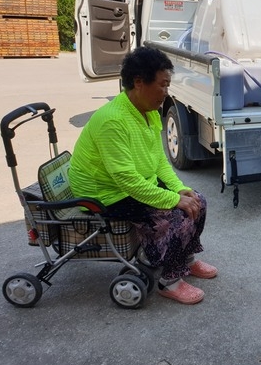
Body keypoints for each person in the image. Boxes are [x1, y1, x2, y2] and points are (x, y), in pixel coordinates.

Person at [69, 46, 217, 305]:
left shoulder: (149, 111)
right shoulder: (112, 121)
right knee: (175, 219)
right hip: (104, 194)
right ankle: (168, 281)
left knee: (198, 201)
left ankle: (185, 260)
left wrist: (179, 189)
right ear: (139, 82)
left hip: (134, 184)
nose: (166, 92)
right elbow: (126, 181)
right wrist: (173, 201)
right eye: (162, 85)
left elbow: (158, 159)